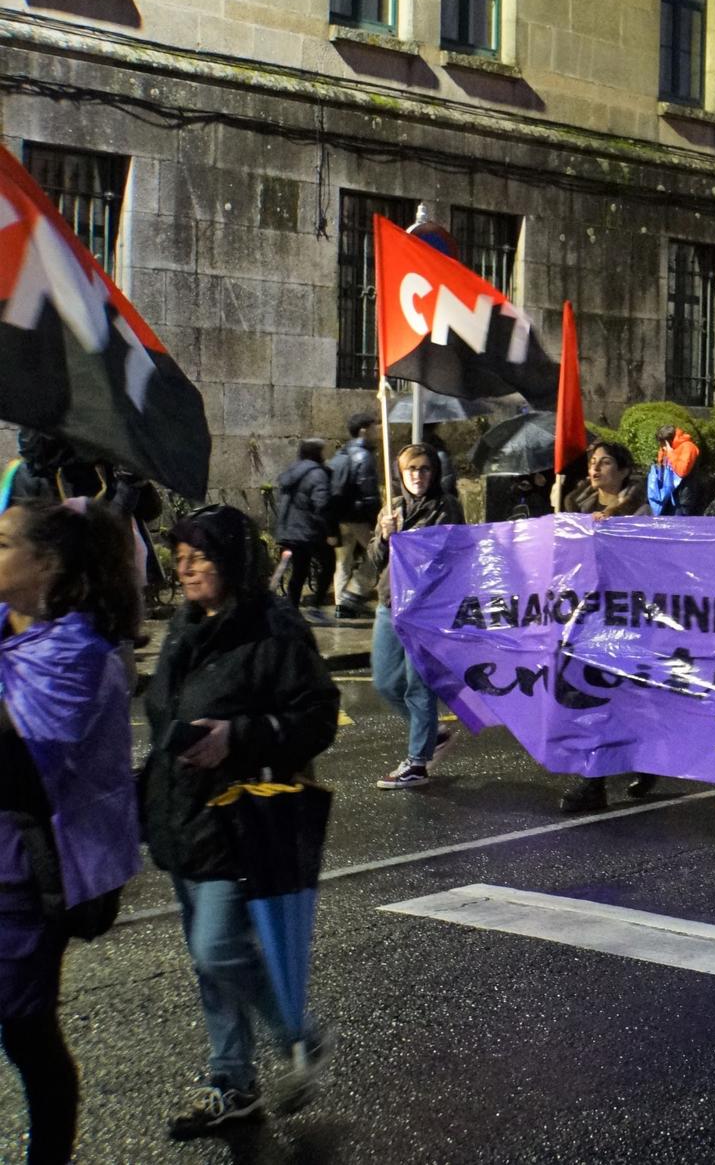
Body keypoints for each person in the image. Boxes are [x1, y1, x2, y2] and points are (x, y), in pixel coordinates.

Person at [143, 506, 339, 1136]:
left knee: (218, 946)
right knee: (208, 965)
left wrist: (239, 736)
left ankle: (297, 1034)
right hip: (182, 812)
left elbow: (317, 716)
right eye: (180, 557)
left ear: (232, 560)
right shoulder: (185, 625)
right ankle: (234, 1085)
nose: (187, 566)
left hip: (239, 817)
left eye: (200, 555)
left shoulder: (273, 627)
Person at [0, 501, 144, 1165]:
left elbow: (27, 766)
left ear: (46, 564)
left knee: (26, 1027)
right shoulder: (7, 626)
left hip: (29, 869)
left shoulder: (79, 653)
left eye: (3, 542)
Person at [556, 441, 656, 812]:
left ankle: (596, 780)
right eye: (592, 463)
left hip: (624, 618)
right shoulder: (572, 510)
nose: (595, 469)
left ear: (625, 470)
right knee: (584, 696)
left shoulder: (641, 513)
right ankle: (605, 774)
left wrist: (613, 530)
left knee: (616, 698)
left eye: (606, 462)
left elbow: (647, 567)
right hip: (582, 618)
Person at [371, 443, 465, 793]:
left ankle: (417, 762)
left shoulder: (446, 507)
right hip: (389, 601)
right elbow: (374, 560)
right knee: (385, 681)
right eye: (411, 469)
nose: (418, 476)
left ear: (434, 472)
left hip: (425, 610)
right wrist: (383, 535)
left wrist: (404, 539)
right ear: (400, 473)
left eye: (425, 469)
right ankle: (430, 734)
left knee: (417, 685)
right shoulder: (393, 507)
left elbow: (445, 554)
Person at [327, 414, 381, 619]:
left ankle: (341, 605)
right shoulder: (364, 456)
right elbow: (369, 494)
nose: (377, 432)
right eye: (374, 427)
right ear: (363, 430)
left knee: (342, 561)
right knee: (377, 555)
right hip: (358, 517)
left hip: (340, 517)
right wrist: (376, 521)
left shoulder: (339, 456)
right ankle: (355, 593)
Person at [272, 440, 334, 614]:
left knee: (299, 572)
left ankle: (291, 610)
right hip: (308, 531)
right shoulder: (317, 474)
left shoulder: (292, 471)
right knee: (329, 565)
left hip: (288, 530)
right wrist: (329, 531)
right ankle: (315, 605)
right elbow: (321, 505)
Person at [647, 425, 701, 516]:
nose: (661, 446)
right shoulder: (668, 449)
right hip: (667, 497)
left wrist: (670, 453)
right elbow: (662, 468)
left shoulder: (688, 447)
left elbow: (682, 471)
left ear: (668, 441)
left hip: (682, 498)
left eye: (662, 443)